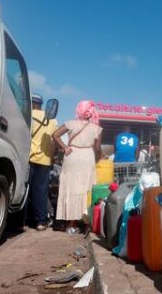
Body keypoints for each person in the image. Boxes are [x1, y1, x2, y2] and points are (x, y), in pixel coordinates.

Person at [52, 100, 103, 233]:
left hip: (72, 155)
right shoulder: (96, 129)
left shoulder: (70, 123)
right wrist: (99, 157)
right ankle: (87, 224)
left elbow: (55, 135)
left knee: (71, 188)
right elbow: (97, 149)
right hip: (87, 157)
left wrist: (64, 147)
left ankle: (71, 223)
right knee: (87, 189)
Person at [28, 94, 57, 231]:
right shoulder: (52, 120)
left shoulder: (27, 115)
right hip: (44, 160)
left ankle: (20, 221)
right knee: (40, 191)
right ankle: (40, 222)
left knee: (26, 189)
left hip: (27, 159)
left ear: (31, 103)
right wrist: (52, 158)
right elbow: (52, 142)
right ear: (41, 104)